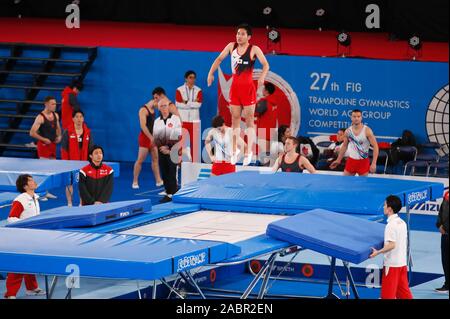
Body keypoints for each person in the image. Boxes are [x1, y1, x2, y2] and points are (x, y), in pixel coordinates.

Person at [207, 23, 270, 166]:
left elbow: (266, 64)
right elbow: (218, 59)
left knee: (249, 121)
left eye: (242, 34)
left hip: (248, 89)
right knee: (234, 120)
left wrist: (262, 77)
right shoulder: (231, 46)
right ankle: (235, 149)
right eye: (237, 33)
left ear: (249, 36)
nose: (239, 36)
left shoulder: (254, 49)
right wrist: (210, 73)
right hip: (234, 89)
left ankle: (249, 152)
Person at [4, 174, 46, 299]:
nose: (34, 182)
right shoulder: (20, 200)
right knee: (18, 264)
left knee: (31, 261)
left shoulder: (35, 198)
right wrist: (25, 228)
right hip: (21, 237)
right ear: (25, 186)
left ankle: (31, 288)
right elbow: (11, 219)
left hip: (33, 236)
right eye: (31, 180)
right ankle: (10, 294)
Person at [370, 195, 413, 299]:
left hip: (392, 266)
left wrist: (377, 252)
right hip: (402, 264)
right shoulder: (402, 222)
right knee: (404, 295)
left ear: (389, 209)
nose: (383, 207)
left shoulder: (390, 225)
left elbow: (392, 245)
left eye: (385, 205)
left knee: (387, 296)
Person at [330, 109, 379, 176]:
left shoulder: (367, 131)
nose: (356, 118)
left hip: (363, 163)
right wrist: (338, 160)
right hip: (351, 161)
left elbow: (375, 146)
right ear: (351, 118)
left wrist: (374, 163)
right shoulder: (348, 131)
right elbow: (344, 146)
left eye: (358, 116)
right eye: (354, 116)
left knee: (362, 185)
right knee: (346, 184)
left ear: (361, 118)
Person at [61, 110, 94, 206]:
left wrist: (90, 162)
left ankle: (81, 202)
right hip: (70, 163)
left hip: (84, 162)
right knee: (69, 183)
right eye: (76, 117)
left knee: (83, 184)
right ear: (73, 119)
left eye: (81, 117)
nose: (79, 119)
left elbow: (91, 148)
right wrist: (65, 163)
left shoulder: (87, 132)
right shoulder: (68, 131)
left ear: (83, 119)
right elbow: (64, 149)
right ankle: (69, 203)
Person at [153, 98, 182, 203]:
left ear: (169, 107)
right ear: (159, 108)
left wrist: (168, 148)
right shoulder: (157, 121)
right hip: (161, 151)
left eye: (165, 106)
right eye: (162, 106)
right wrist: (162, 148)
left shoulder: (175, 119)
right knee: (164, 172)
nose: (164, 108)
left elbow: (178, 134)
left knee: (172, 172)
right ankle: (168, 194)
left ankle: (174, 194)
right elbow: (156, 137)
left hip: (172, 150)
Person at [132, 97, 164, 189]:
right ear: (155, 101)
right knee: (140, 160)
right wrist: (150, 137)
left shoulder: (153, 109)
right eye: (159, 105)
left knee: (155, 159)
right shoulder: (143, 110)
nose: (159, 108)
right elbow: (143, 126)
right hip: (145, 138)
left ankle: (158, 180)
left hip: (152, 138)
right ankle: (135, 181)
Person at [175, 70, 203, 162]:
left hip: (195, 121)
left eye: (194, 78)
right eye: (190, 77)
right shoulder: (179, 90)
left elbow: (199, 105)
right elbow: (178, 104)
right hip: (183, 120)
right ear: (186, 78)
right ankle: (180, 161)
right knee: (182, 142)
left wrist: (186, 102)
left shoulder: (198, 90)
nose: (192, 79)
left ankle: (195, 162)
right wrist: (193, 103)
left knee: (195, 143)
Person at [255, 82, 278, 162]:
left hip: (263, 131)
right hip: (271, 131)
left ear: (266, 91)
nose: (262, 90)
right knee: (268, 155)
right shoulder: (274, 103)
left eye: (263, 89)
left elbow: (254, 111)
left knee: (263, 158)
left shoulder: (264, 101)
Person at [435, 190, 449, 293]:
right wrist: (439, 225)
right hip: (445, 234)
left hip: (446, 230)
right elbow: (441, 211)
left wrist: (445, 226)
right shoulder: (447, 194)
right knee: (445, 260)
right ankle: (447, 284)